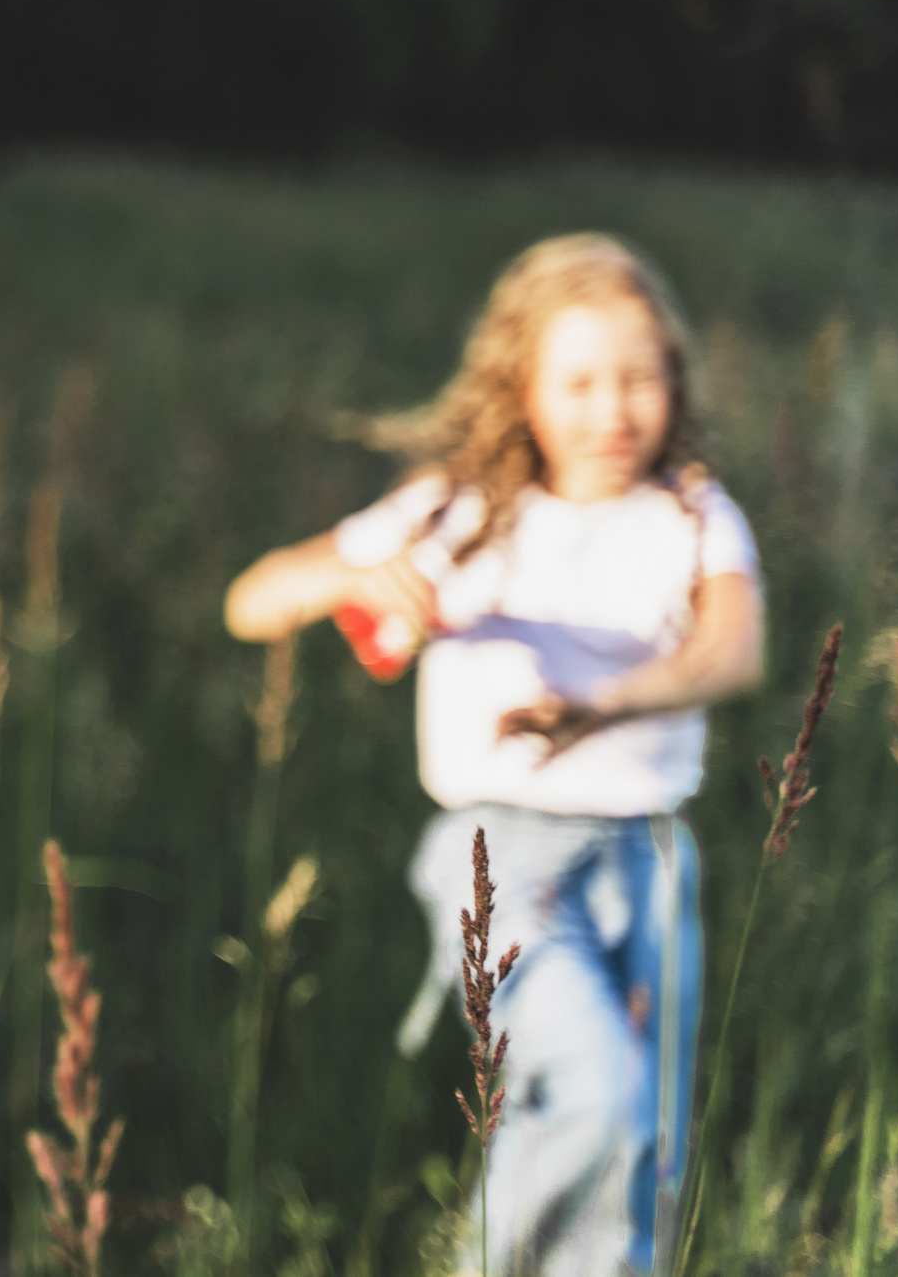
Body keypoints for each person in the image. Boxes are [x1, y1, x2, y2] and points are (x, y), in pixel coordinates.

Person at [223, 234, 763, 1275]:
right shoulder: (457, 507)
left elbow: (729, 652)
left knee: (637, 1146)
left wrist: (601, 704)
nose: (613, 410)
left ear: (674, 382)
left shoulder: (692, 513)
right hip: (499, 861)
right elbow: (252, 599)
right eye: (580, 383)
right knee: (598, 1092)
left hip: (648, 860)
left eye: (640, 378)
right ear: (519, 388)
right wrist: (350, 583)